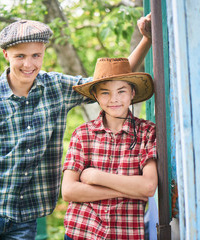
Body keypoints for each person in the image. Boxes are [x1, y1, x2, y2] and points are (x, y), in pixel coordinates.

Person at [0, 14, 152, 240]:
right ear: (6, 54)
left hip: (26, 215)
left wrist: (146, 39)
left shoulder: (56, 88)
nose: (28, 64)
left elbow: (108, 80)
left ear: (43, 53)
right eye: (20, 56)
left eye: (36, 55)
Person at [61, 57, 157, 240]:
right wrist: (126, 190)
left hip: (125, 233)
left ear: (133, 93)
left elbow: (148, 186)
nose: (114, 99)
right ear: (96, 96)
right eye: (105, 93)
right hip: (82, 230)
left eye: (121, 91)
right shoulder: (83, 134)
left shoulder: (147, 132)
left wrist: (96, 177)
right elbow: (69, 191)